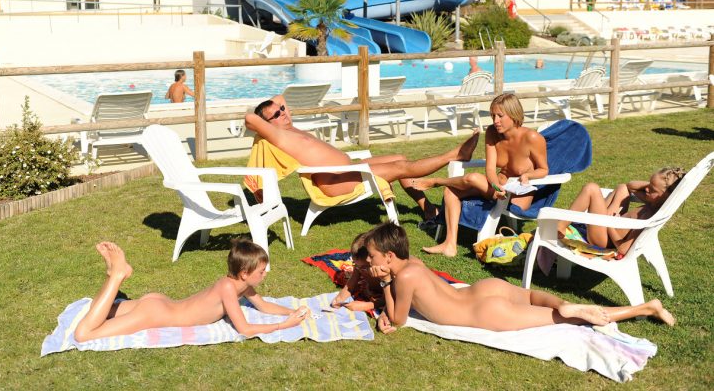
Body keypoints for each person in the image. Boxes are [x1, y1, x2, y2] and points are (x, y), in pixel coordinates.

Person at [368, 222, 675, 334]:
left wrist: (384, 286)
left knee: (568, 320)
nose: (370, 262)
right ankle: (564, 302)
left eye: (373, 257)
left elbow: (398, 320)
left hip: (482, 312)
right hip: (481, 291)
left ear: (389, 257)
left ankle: (644, 308)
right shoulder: (415, 263)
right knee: (536, 299)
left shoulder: (402, 278)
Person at [244, 95, 480, 221]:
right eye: (276, 114)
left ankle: (428, 209)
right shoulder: (278, 136)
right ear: (267, 125)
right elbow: (250, 118)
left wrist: (274, 108)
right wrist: (264, 121)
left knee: (398, 156)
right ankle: (454, 155)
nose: (283, 113)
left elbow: (280, 97)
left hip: (346, 168)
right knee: (401, 167)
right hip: (335, 181)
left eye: (282, 110)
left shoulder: (286, 126)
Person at [74, 240, 309, 342]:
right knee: (84, 334)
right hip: (156, 314)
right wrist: (282, 326)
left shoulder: (239, 284)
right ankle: (116, 275)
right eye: (262, 271)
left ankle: (114, 274)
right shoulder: (228, 288)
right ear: (245, 273)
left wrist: (293, 311)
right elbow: (245, 329)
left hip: (159, 304)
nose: (265, 274)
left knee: (97, 313)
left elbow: (264, 305)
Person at [413, 93, 548, 257]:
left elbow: (544, 170)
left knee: (472, 178)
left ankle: (437, 180)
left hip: (517, 196)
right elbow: (490, 170)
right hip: (495, 188)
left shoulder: (532, 137)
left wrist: (529, 176)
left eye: (500, 116)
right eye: (492, 115)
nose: (495, 121)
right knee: (451, 191)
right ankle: (450, 244)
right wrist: (495, 186)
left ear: (514, 114)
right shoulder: (492, 132)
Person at [557, 167, 686, 256]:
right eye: (648, 185)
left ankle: (560, 227)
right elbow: (630, 186)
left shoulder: (649, 215)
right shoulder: (653, 202)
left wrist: (611, 225)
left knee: (591, 188)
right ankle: (579, 220)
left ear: (665, 197)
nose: (646, 189)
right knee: (622, 188)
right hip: (609, 227)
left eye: (652, 190)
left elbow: (623, 249)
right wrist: (654, 186)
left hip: (604, 240)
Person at [330, 231, 384, 312]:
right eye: (355, 263)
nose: (359, 268)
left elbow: (392, 298)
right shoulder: (359, 267)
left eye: (364, 267)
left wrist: (367, 305)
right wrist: (340, 298)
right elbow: (351, 283)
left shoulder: (384, 271)